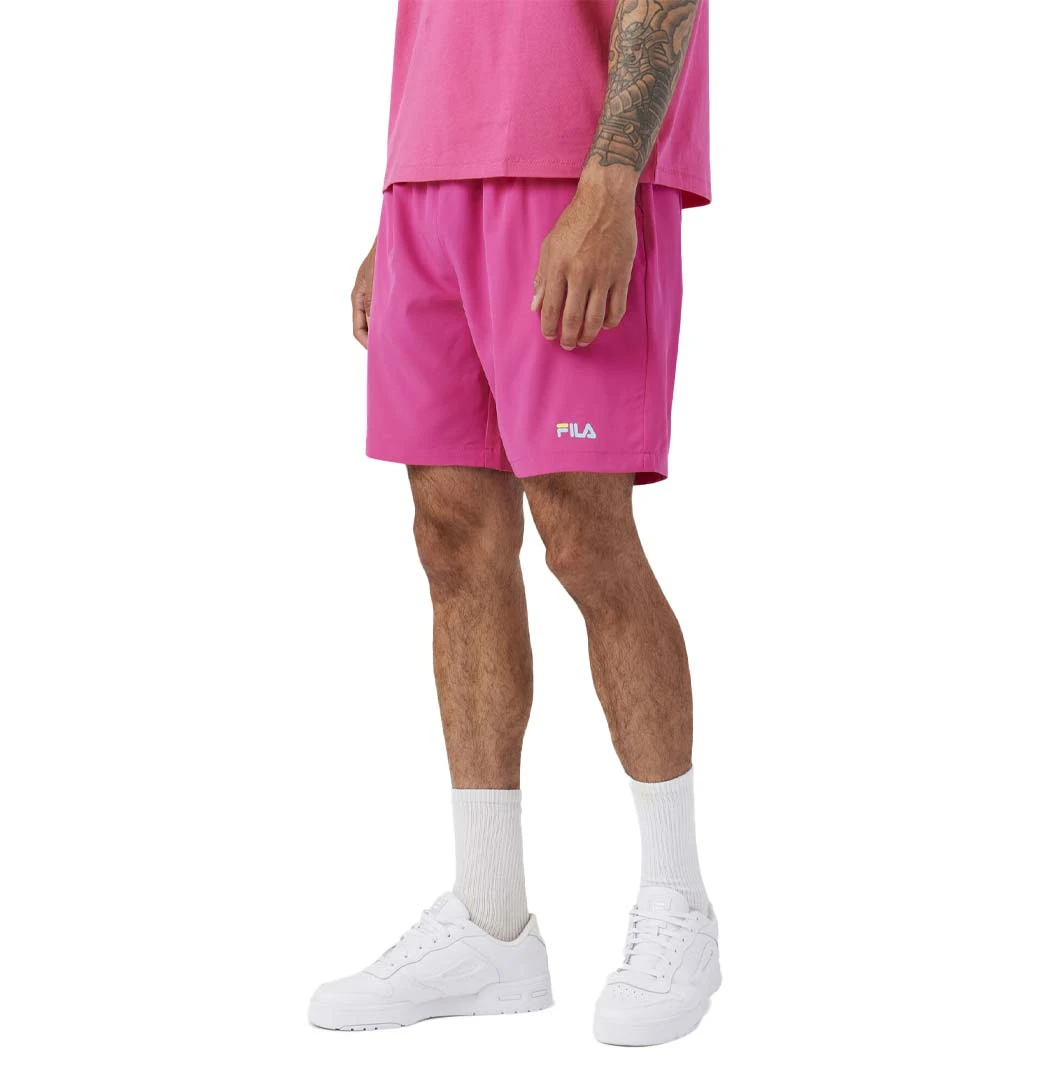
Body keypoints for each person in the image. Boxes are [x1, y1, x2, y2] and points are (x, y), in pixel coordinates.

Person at [309, 0, 718, 1047]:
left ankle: (677, 904)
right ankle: (490, 925)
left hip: (571, 171)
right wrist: (404, 203)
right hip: (429, 186)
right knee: (450, 539)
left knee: (584, 535)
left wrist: (612, 185)